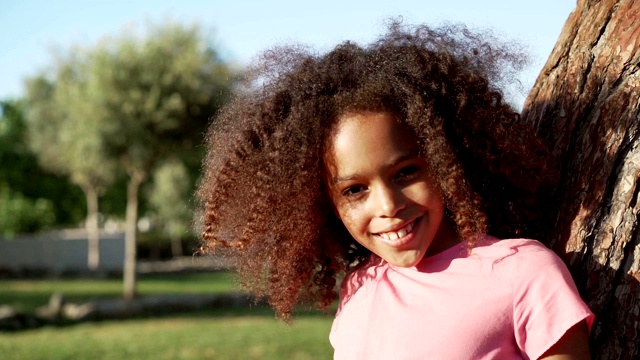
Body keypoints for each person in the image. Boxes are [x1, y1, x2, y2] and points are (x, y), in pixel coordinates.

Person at [196, 21, 594, 359]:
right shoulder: (359, 289)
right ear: (324, 204)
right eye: (354, 190)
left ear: (445, 162)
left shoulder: (522, 273)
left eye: (405, 172)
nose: (388, 205)